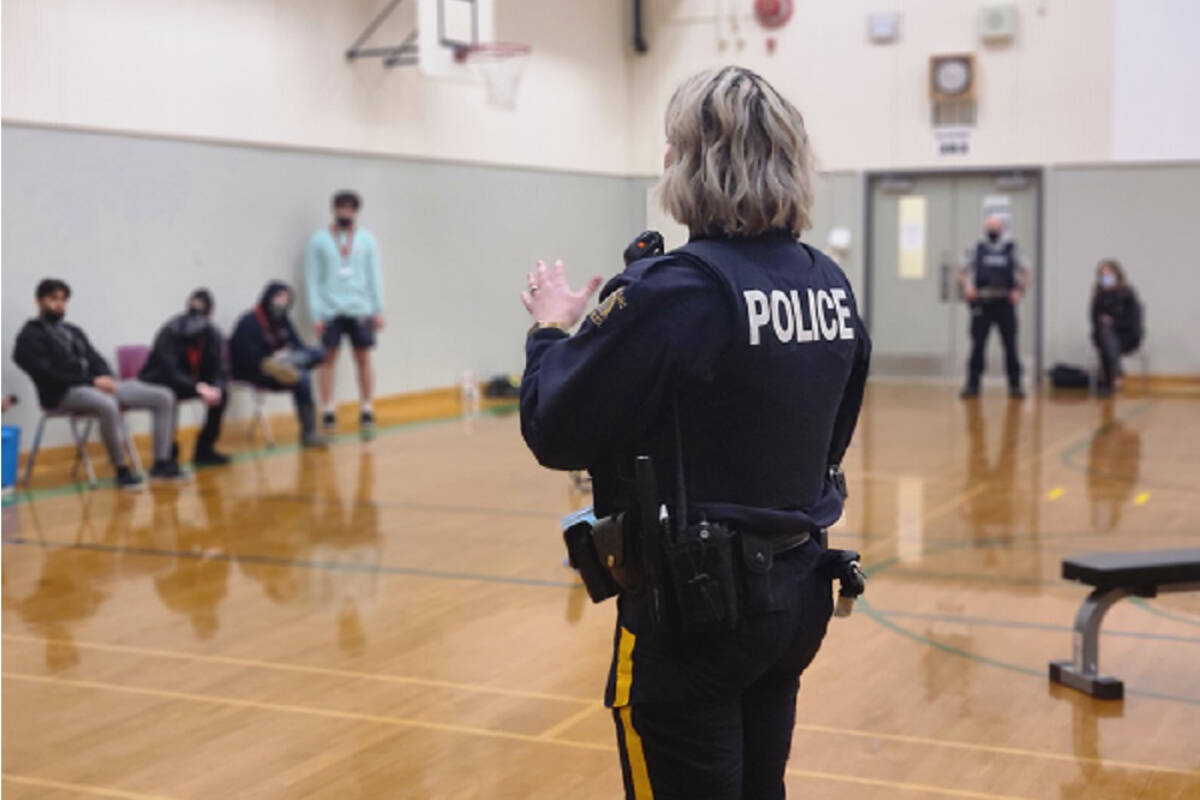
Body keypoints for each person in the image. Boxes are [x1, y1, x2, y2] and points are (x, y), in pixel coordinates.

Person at [518, 67, 870, 800]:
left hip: (695, 615)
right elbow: (835, 429)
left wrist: (552, 329)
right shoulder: (828, 283)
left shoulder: (677, 290)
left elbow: (555, 429)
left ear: (691, 163)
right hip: (793, 593)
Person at [13, 278, 183, 489]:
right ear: (39, 301)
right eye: (53, 299)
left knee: (164, 396)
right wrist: (91, 381)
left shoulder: (72, 331)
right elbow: (48, 374)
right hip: (63, 393)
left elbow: (95, 358)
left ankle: (162, 463)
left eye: (63, 300)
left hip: (95, 386)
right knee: (107, 404)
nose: (59, 304)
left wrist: (106, 377)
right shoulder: (29, 336)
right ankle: (121, 470)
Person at [305, 190, 385, 432]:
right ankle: (328, 409)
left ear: (356, 212)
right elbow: (312, 279)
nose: (345, 213)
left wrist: (378, 309)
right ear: (333, 209)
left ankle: (367, 407)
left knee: (363, 358)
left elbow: (374, 275)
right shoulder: (318, 240)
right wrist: (316, 313)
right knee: (328, 359)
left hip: (361, 309)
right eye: (341, 208)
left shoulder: (367, 239)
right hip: (330, 310)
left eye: (350, 209)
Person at [230, 281, 328, 448]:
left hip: (285, 362)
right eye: (279, 297)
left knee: (319, 352)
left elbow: (298, 345)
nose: (282, 302)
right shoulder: (249, 321)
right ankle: (309, 433)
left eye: (286, 299)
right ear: (268, 297)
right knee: (302, 379)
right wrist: (270, 360)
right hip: (259, 369)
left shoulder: (284, 321)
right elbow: (243, 356)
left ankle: (290, 368)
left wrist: (289, 356)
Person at [139, 289, 230, 466]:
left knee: (223, 394)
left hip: (192, 382)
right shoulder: (170, 330)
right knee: (167, 396)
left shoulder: (213, 334)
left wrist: (216, 387)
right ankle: (167, 452)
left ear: (211, 313)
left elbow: (219, 368)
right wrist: (197, 387)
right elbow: (168, 371)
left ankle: (205, 448)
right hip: (163, 382)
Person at [957, 215, 1032, 399]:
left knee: (1010, 346)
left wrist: (1019, 290)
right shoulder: (977, 248)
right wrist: (967, 286)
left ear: (1002, 229)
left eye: (995, 227)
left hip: (1005, 303)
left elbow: (1027, 272)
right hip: (982, 303)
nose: (992, 231)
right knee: (977, 346)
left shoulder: (1012, 249)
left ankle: (1015, 386)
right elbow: (960, 271)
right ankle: (972, 385)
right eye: (989, 227)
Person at [1090, 259, 1143, 396]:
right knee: (1104, 332)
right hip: (1104, 338)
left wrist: (1113, 322)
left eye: (1108, 274)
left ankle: (1109, 376)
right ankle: (1116, 372)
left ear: (1117, 274)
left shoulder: (1128, 294)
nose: (1106, 277)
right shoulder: (1098, 296)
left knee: (1107, 333)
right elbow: (1094, 320)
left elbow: (1133, 321)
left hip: (1126, 337)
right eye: (1103, 274)